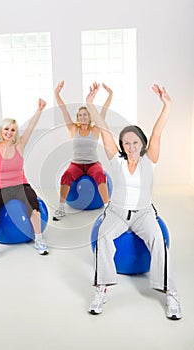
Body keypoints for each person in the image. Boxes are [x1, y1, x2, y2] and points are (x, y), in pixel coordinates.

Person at [85, 83, 182, 320]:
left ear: (142, 144)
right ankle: (102, 289)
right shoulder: (116, 161)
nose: (131, 147)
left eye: (135, 142)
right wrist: (90, 104)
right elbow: (103, 128)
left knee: (158, 241)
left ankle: (170, 293)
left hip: (143, 213)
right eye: (126, 143)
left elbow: (158, 131)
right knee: (103, 237)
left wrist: (166, 106)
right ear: (122, 145)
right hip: (116, 212)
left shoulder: (150, 159)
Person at [0, 96, 49, 263]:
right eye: (6, 129)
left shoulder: (19, 145)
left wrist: (39, 110)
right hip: (1, 188)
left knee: (34, 207)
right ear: (1, 131)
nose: (9, 132)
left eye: (13, 130)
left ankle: (39, 239)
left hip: (21, 185)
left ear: (15, 133)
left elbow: (31, 128)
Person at [53, 80, 112, 221]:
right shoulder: (73, 129)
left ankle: (107, 209)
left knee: (99, 174)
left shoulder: (95, 129)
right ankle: (61, 208)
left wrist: (110, 94)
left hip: (93, 163)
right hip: (76, 164)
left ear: (89, 116)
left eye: (85, 114)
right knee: (66, 175)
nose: (82, 117)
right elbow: (63, 110)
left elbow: (104, 111)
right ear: (77, 118)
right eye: (80, 115)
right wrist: (57, 94)